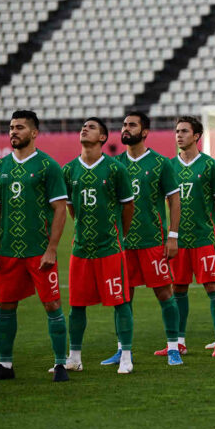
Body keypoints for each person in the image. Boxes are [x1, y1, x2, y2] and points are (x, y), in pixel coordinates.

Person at [0, 110, 70, 382]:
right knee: (5, 307)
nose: (13, 131)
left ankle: (59, 365)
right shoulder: (0, 168)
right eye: (11, 127)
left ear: (33, 133)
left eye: (19, 127)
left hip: (39, 251)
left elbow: (60, 210)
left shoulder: (48, 166)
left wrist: (52, 248)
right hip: (9, 252)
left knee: (52, 305)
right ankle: (5, 366)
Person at [104, 111, 183, 366]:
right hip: (122, 244)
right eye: (124, 124)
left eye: (132, 125)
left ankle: (173, 347)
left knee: (164, 293)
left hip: (152, 241)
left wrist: (172, 236)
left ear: (145, 132)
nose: (126, 128)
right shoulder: (114, 165)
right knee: (123, 297)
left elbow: (174, 200)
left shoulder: (161, 163)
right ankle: (122, 349)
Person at [61, 118, 135, 374]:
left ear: (103, 138)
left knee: (121, 301)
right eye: (83, 126)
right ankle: (74, 357)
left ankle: (125, 355)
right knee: (77, 305)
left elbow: (128, 207)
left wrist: (117, 235)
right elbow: (70, 207)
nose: (84, 128)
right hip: (81, 249)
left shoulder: (115, 169)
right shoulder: (69, 170)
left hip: (110, 249)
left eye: (91, 127)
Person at [170, 116, 215, 357]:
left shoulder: (210, 165)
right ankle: (179, 342)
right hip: (178, 239)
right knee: (178, 288)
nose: (179, 135)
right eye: (177, 131)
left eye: (184, 131)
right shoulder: (169, 166)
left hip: (203, 239)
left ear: (196, 136)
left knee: (212, 287)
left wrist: (207, 223)